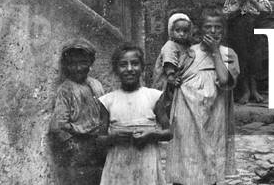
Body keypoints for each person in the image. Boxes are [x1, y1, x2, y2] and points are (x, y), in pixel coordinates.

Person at [165, 9, 239, 185]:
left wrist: (215, 53)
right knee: (186, 160)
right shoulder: (188, 52)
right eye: (208, 27)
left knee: (210, 158)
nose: (213, 31)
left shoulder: (228, 54)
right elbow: (171, 77)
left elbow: (225, 82)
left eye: (218, 27)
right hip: (187, 113)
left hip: (215, 113)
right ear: (199, 29)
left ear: (224, 30)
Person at [98, 43, 172, 185]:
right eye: (123, 65)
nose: (130, 69)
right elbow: (99, 139)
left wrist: (151, 135)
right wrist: (113, 138)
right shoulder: (107, 101)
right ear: (116, 69)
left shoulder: (153, 96)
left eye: (135, 64)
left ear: (142, 67)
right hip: (118, 166)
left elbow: (169, 132)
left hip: (147, 163)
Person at [48, 39, 109, 185]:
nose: (78, 68)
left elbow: (104, 112)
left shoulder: (96, 85)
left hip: (98, 144)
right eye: (72, 63)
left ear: (90, 63)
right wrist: (73, 148)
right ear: (66, 65)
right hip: (79, 147)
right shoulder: (66, 89)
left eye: (83, 62)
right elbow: (57, 126)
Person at [222, 0, 273, 104]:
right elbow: (225, 13)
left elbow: (267, 10)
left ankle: (254, 89)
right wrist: (238, 3)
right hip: (238, 29)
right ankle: (245, 90)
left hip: (254, 27)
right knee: (242, 58)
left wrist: (253, 0)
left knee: (255, 58)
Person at [154, 13, 192, 89]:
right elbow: (168, 61)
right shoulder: (170, 45)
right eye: (177, 31)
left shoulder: (187, 46)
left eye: (185, 31)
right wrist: (171, 76)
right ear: (171, 31)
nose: (181, 34)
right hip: (169, 78)